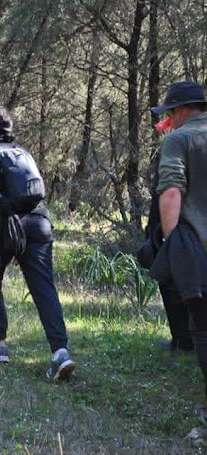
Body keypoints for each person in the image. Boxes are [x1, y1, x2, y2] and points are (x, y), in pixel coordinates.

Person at [0, 106, 75, 380]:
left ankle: (0, 346)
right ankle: (60, 352)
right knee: (44, 288)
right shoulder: (22, 152)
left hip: (4, 225)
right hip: (39, 222)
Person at [151, 80, 207, 398]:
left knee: (202, 328)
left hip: (196, 249)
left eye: (170, 111)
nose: (169, 118)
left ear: (182, 109)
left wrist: (172, 244)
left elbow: (172, 190)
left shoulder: (179, 140)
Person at [138, 116, 192, 353]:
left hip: (174, 228)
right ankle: (180, 339)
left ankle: (183, 341)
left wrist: (162, 232)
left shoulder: (179, 147)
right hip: (168, 226)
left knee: (173, 285)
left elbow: (169, 192)